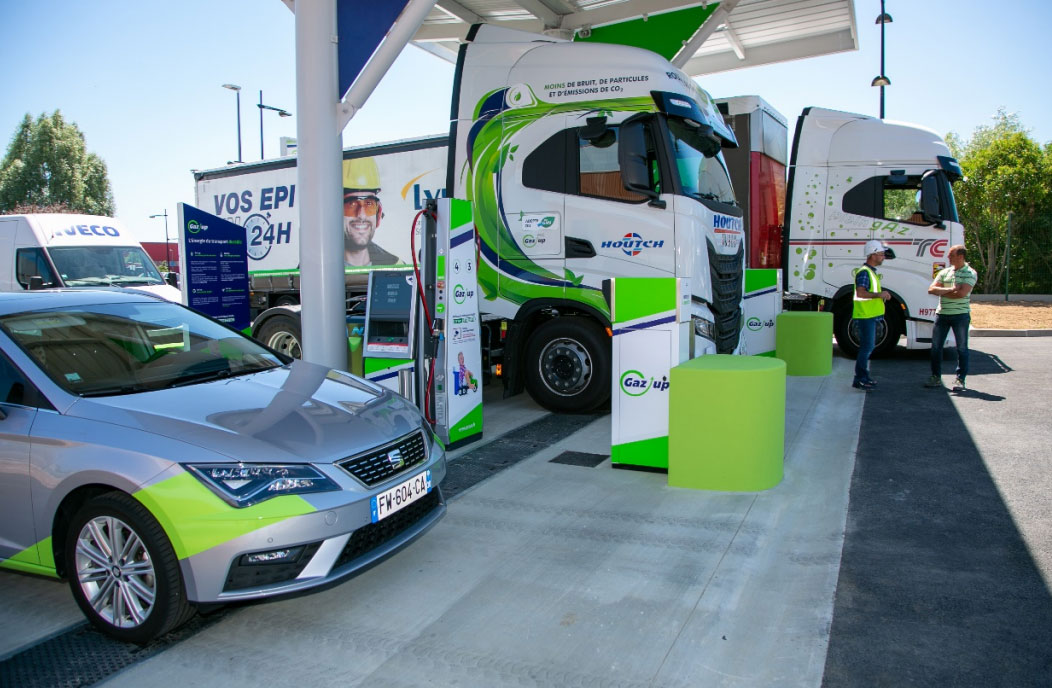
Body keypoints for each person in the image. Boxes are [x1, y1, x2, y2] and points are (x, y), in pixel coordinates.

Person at [925, 244, 976, 391]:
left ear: (960, 256)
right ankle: (935, 377)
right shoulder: (945, 272)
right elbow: (931, 289)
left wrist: (942, 291)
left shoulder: (970, 273)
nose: (948, 257)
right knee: (936, 347)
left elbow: (961, 294)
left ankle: (960, 379)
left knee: (961, 348)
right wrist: (951, 289)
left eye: (951, 255)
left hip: (960, 316)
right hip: (942, 315)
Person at [851, 239, 894, 390]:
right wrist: (880, 294)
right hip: (865, 316)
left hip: (869, 316)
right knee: (866, 347)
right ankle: (860, 379)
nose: (883, 257)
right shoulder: (865, 272)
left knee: (867, 347)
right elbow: (861, 293)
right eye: (881, 254)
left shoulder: (869, 272)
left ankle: (863, 377)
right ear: (872, 254)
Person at [342, 157, 399, 266]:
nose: (362, 215)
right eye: (352, 204)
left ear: (378, 214)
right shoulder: (315, 270)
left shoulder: (396, 266)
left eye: (369, 204)